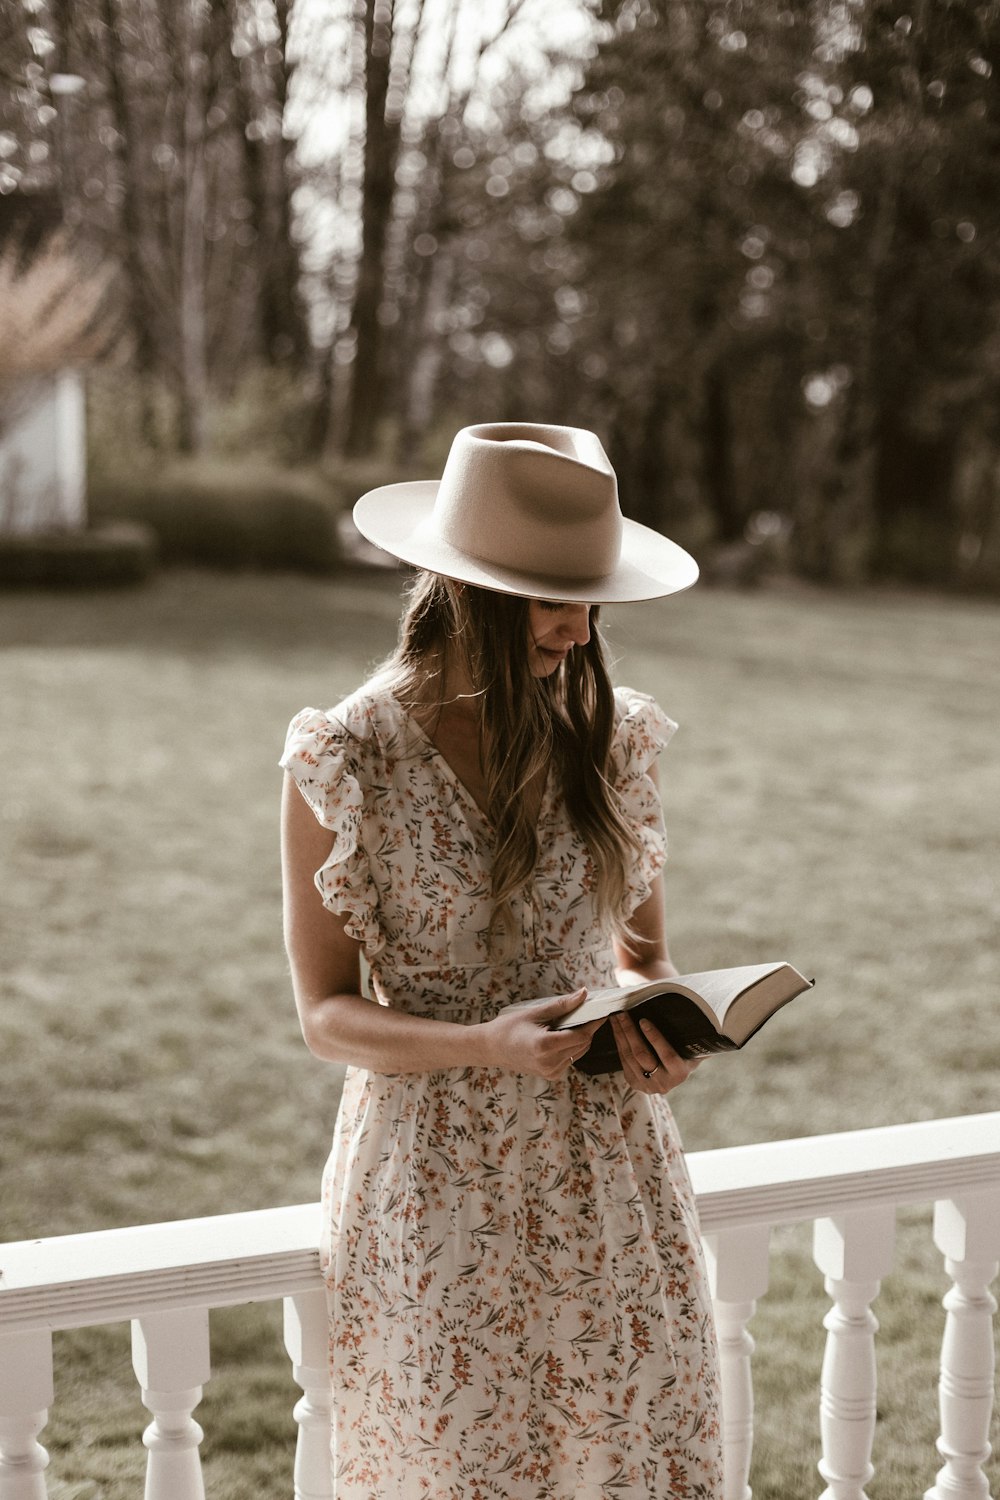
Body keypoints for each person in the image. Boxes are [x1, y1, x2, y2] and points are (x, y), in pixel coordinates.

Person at [279, 423, 723, 1499]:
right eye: (545, 599)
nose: (576, 631)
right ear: (462, 588)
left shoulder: (609, 739)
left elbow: (642, 951)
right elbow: (326, 1014)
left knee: (626, 1461)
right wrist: (483, 1044)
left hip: (608, 1175)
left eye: (588, 600)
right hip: (435, 1188)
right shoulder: (346, 760)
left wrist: (659, 1033)